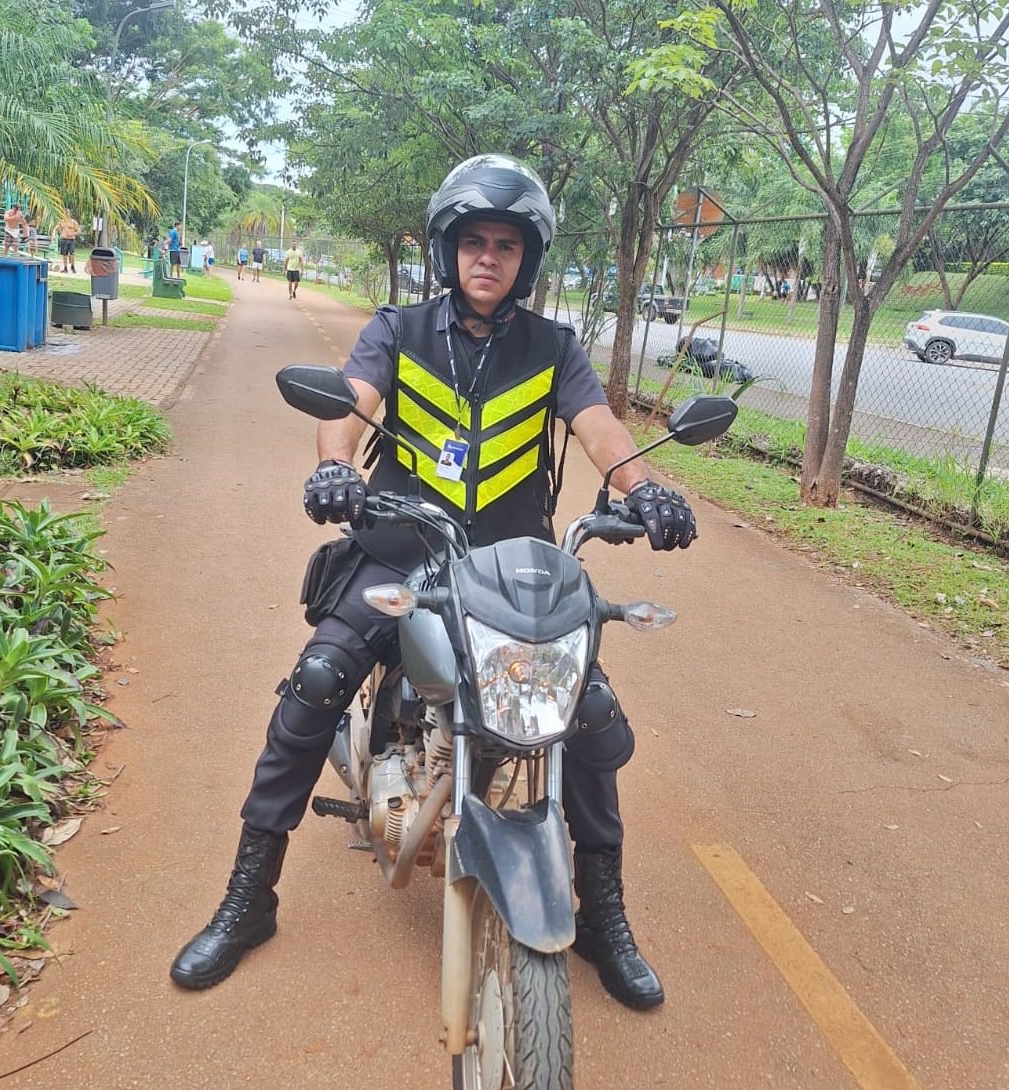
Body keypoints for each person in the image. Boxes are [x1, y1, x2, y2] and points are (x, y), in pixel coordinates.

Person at [169, 154, 698, 1013]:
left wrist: (648, 488)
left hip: (510, 564)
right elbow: (348, 400)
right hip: (404, 544)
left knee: (588, 715)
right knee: (315, 681)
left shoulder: (552, 347)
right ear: (447, 248)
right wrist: (334, 466)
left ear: (527, 258)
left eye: (507, 244)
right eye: (474, 242)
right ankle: (247, 899)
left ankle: (601, 916)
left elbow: (599, 427)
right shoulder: (399, 329)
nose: (488, 257)